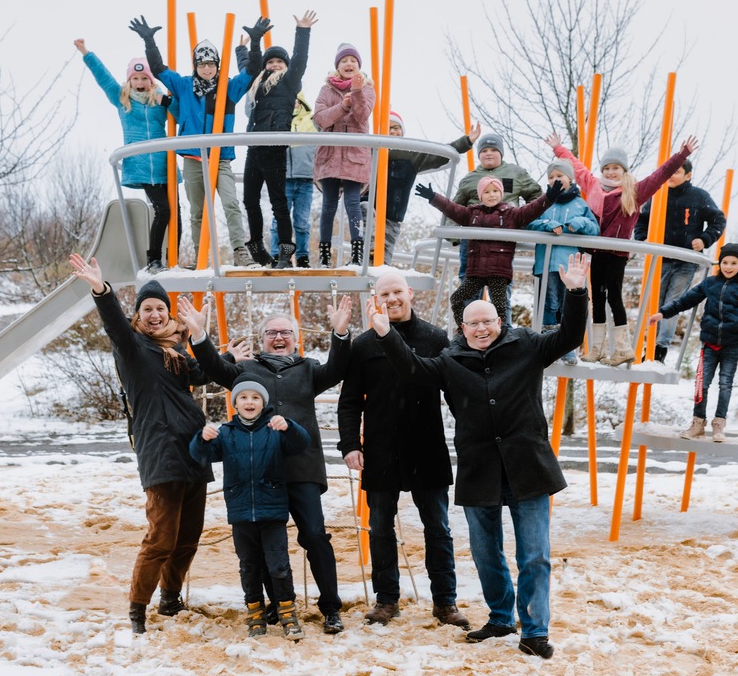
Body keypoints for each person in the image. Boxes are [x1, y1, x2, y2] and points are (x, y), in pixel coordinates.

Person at [366, 252, 591, 660]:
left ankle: (535, 630)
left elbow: (570, 336)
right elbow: (413, 370)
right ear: (462, 328)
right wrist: (385, 334)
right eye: (473, 323)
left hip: (528, 467)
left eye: (488, 321)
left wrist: (576, 292)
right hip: (479, 469)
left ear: (499, 323)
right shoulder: (451, 360)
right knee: (487, 553)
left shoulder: (527, 346)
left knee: (534, 555)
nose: (482, 328)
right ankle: (501, 617)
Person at [67, 254, 245, 634]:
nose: (155, 314)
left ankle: (171, 597)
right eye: (147, 308)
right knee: (161, 536)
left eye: (160, 308)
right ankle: (137, 607)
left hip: (194, 449)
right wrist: (101, 289)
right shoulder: (131, 347)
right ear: (139, 315)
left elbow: (199, 373)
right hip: (160, 450)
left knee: (188, 537)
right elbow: (113, 322)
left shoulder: (176, 350)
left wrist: (229, 356)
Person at [177, 294, 354, 634]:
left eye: (285, 332)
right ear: (262, 340)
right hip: (258, 472)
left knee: (315, 535)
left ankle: (331, 607)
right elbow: (216, 368)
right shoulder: (247, 370)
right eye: (271, 333)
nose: (278, 337)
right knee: (261, 543)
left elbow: (338, 369)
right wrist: (199, 336)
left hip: (300, 467)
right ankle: (276, 604)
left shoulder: (309, 369)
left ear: (295, 338)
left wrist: (341, 335)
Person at [336, 268, 470, 629]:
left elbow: (455, 391)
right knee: (380, 528)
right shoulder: (363, 345)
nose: (392, 299)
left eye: (397, 292)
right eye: (384, 294)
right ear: (375, 300)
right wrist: (350, 444)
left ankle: (445, 602)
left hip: (427, 447)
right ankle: (386, 600)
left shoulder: (436, 337)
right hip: (381, 449)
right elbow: (349, 401)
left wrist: (473, 433)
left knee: (437, 529)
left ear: (410, 293)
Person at [130, 15, 271, 267]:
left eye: (211, 64)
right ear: (195, 65)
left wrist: (256, 41)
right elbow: (159, 68)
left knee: (230, 203)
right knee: (197, 212)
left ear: (218, 65)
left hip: (220, 157)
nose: (207, 69)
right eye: (202, 64)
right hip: (194, 158)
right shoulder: (184, 86)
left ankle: (240, 251)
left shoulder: (228, 87)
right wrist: (149, 40)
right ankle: (201, 257)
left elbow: (252, 71)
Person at [547, 132, 699, 366]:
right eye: (607, 168)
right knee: (595, 298)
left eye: (616, 168)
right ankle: (596, 348)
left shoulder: (634, 191)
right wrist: (558, 148)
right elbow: (576, 167)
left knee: (614, 297)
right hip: (595, 251)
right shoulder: (594, 186)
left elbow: (660, 175)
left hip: (615, 254)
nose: (610, 172)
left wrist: (682, 155)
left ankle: (622, 347)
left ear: (624, 170)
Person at [189, 375, 310, 639]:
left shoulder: (274, 429)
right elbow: (199, 455)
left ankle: (287, 612)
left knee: (279, 565)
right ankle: (255, 613)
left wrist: (289, 426)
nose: (249, 402)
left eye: (255, 397)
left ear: (263, 403)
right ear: (235, 403)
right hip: (241, 510)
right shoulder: (227, 433)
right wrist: (202, 438)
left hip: (273, 508)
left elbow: (303, 443)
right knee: (249, 565)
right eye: (243, 397)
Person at [648, 243, 738, 443]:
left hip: (731, 345)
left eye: (733, 263)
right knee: (702, 383)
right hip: (709, 343)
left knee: (725, 384)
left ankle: (719, 424)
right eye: (725, 262)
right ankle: (698, 423)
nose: (728, 266)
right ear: (720, 263)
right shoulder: (710, 283)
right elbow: (686, 300)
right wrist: (663, 312)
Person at [74, 40, 180, 273]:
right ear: (129, 80)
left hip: (164, 163)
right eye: (136, 78)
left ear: (151, 81)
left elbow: (180, 116)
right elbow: (104, 77)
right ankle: (154, 259)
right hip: (141, 164)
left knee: (176, 212)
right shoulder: (123, 100)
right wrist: (86, 53)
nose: (140, 83)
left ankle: (175, 259)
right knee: (163, 210)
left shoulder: (159, 99)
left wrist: (169, 102)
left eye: (144, 79)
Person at [414, 177, 557, 327]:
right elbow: (452, 208)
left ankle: (503, 337)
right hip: (476, 272)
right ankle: (464, 330)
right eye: (487, 192)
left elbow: (532, 209)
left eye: (495, 191)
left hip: (498, 273)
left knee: (500, 309)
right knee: (457, 299)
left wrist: (549, 197)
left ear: (501, 194)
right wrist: (433, 197)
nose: (492, 195)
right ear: (480, 195)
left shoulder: (511, 214)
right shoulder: (472, 214)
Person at [243, 11, 318, 268]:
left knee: (278, 203)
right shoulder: (256, 84)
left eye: (279, 62)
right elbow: (248, 65)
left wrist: (303, 31)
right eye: (270, 61)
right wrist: (253, 42)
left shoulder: (288, 83)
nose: (274, 65)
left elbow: (300, 60)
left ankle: (286, 253)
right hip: (255, 147)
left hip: (274, 147)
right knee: (250, 200)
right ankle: (256, 247)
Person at [633, 157, 727, 362]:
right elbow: (641, 219)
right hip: (660, 258)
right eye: (670, 172)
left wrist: (704, 239)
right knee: (654, 302)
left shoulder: (699, 196)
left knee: (672, 303)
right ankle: (648, 346)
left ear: (688, 175)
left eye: (677, 172)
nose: (671, 176)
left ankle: (660, 348)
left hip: (685, 260)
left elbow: (718, 220)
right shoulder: (657, 195)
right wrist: (641, 238)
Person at [361, 112, 481, 266]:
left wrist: (466, 141)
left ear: (402, 131)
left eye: (396, 128)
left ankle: (380, 269)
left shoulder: (411, 154)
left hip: (393, 214)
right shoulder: (371, 151)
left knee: (383, 257)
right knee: (364, 216)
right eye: (388, 128)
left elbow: (439, 154)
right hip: (370, 206)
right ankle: (365, 252)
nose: (392, 132)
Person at [526, 158, 599, 363]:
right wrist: (547, 223)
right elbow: (527, 222)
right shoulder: (543, 202)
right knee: (549, 305)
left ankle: (567, 347)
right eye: (551, 177)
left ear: (570, 179)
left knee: (567, 305)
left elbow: (595, 229)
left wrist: (581, 223)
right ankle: (548, 343)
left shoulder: (580, 204)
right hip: (545, 263)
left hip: (570, 266)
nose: (555, 179)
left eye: (559, 176)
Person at [312, 43, 376, 267]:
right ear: (337, 66)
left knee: (352, 202)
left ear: (359, 65)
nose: (349, 64)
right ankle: (324, 255)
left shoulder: (367, 88)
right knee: (328, 204)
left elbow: (362, 116)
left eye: (353, 61)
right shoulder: (326, 89)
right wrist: (342, 105)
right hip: (330, 155)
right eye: (344, 61)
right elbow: (320, 118)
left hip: (353, 156)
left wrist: (356, 93)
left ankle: (357, 253)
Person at [451, 133, 543, 281]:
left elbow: (536, 195)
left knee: (500, 286)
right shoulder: (469, 179)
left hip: (503, 237)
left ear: (500, 152)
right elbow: (454, 208)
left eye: (493, 150)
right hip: (473, 238)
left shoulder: (516, 173)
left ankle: (498, 304)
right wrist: (454, 237)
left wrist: (524, 221)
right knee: (470, 285)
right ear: (479, 155)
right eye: (484, 150)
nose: (488, 153)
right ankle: (470, 305)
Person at [270, 93, 318, 267]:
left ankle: (302, 256)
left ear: (302, 101)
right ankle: (276, 255)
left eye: (296, 100)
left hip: (305, 177)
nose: (293, 103)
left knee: (302, 221)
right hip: (283, 177)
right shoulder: (278, 119)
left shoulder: (312, 121)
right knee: (278, 219)